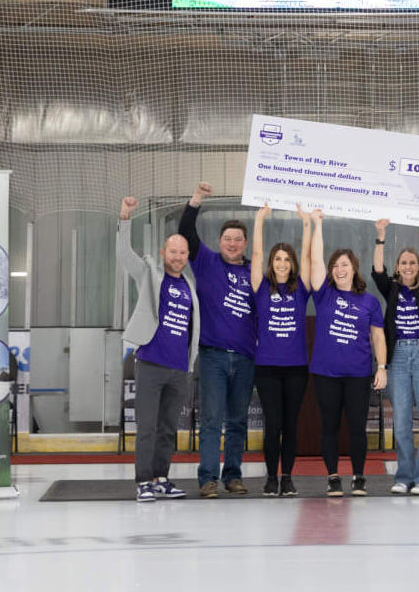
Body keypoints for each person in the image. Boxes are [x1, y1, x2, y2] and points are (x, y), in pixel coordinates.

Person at [118, 196, 200, 502]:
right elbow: (125, 255)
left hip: (179, 369)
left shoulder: (189, 287)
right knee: (147, 428)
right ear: (164, 252)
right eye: (172, 252)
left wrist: (190, 364)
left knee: (168, 429)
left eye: (182, 253)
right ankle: (143, 482)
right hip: (150, 365)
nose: (177, 257)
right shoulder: (151, 275)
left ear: (187, 255)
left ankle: (162, 478)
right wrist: (125, 218)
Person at [179, 182, 256, 498]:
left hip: (246, 357)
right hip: (211, 356)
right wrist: (195, 200)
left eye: (238, 239)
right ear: (219, 242)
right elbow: (186, 231)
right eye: (228, 239)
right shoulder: (207, 262)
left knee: (238, 421)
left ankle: (233, 476)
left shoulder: (255, 272)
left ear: (246, 243)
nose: (233, 243)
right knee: (211, 421)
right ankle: (207, 479)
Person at [310, 209, 387, 497]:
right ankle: (332, 477)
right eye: (335, 266)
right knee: (329, 425)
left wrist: (382, 367)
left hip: (357, 374)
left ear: (354, 268)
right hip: (325, 373)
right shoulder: (324, 294)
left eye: (344, 265)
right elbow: (315, 260)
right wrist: (318, 225)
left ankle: (358, 476)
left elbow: (378, 336)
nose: (339, 270)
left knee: (356, 426)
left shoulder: (369, 302)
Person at [371, 217, 419, 496]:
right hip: (398, 356)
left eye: (413, 263)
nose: (408, 267)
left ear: (418, 268)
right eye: (404, 263)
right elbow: (378, 270)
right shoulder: (391, 289)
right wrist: (381, 236)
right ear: (398, 267)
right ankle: (404, 477)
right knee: (400, 419)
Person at [250, 203, 312, 497]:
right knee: (272, 424)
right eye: (278, 259)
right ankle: (270, 477)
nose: (282, 263)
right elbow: (257, 255)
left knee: (290, 424)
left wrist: (307, 225)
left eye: (287, 259)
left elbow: (311, 257)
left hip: (297, 368)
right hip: (267, 368)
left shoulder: (301, 288)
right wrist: (259, 221)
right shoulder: (261, 287)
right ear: (271, 262)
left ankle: (287, 477)